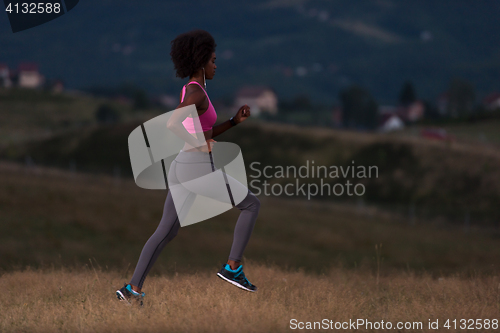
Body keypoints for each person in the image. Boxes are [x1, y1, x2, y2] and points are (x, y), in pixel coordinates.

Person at [116, 29, 261, 305]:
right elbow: (173, 123)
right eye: (214, 60)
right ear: (202, 61)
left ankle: (132, 290)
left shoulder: (192, 89)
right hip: (196, 169)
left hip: (183, 167)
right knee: (252, 205)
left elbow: (205, 131)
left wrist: (233, 121)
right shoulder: (196, 92)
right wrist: (198, 142)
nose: (216, 65)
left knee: (167, 231)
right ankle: (233, 267)